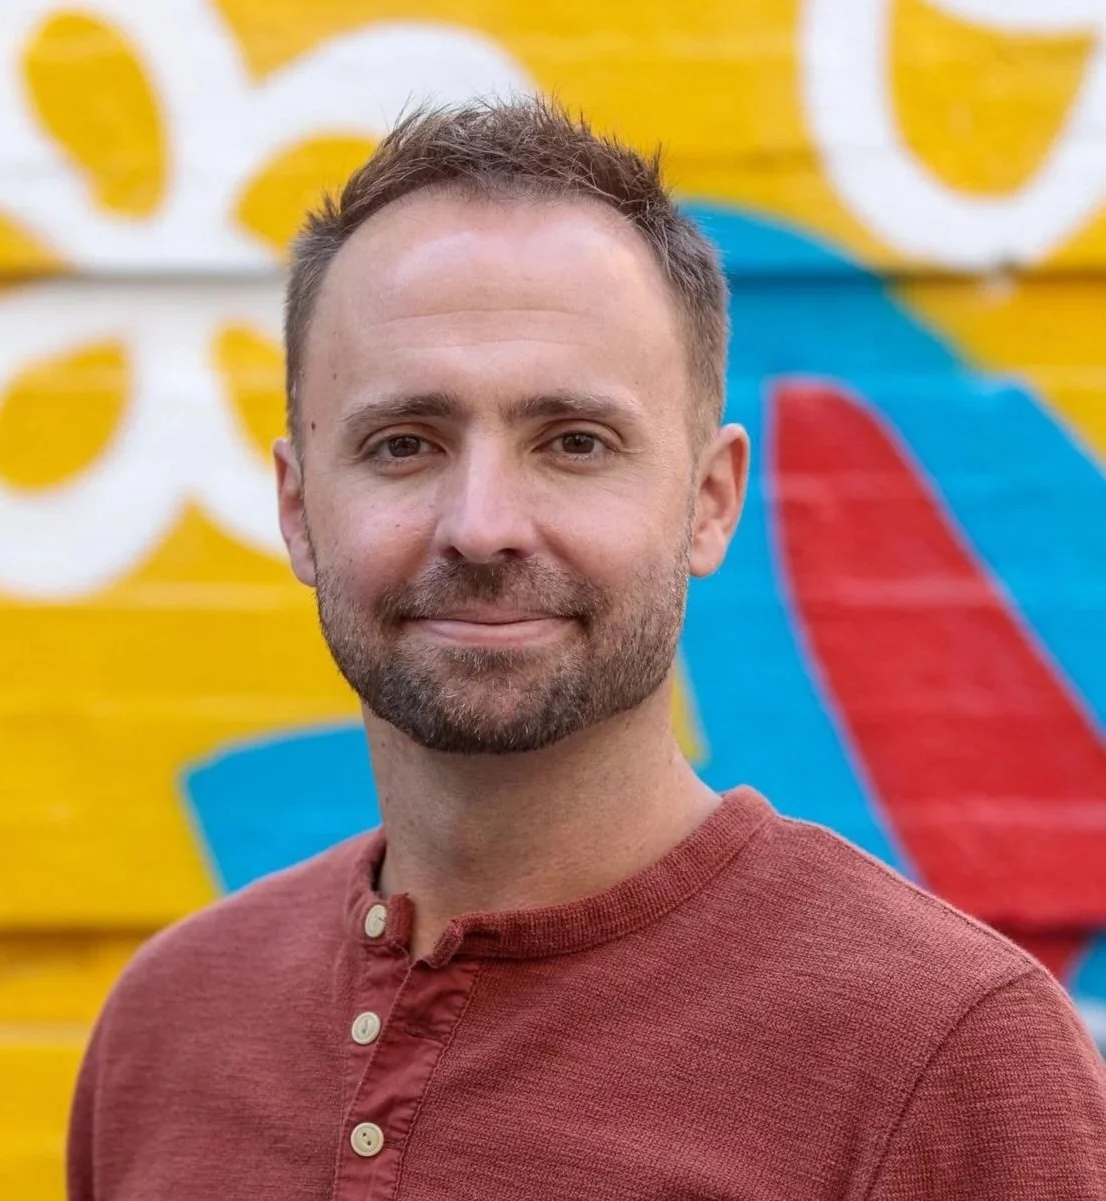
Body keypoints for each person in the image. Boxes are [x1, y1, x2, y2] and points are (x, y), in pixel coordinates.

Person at [66, 97, 1106, 1200]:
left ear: (709, 503)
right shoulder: (169, 1023)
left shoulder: (946, 1056)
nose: (481, 522)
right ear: (296, 505)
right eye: (402, 444)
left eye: (573, 442)